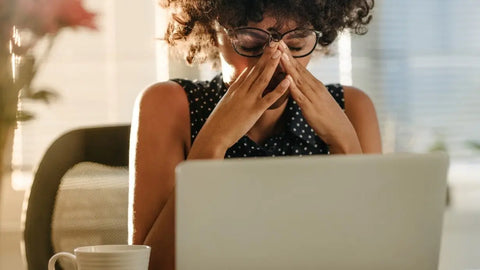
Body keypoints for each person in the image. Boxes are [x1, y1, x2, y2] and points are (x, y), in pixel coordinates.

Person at [130, 0, 381, 269]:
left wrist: (344, 142)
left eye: (296, 45)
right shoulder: (168, 105)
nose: (276, 62)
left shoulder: (352, 108)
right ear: (213, 34)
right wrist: (213, 142)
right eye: (249, 43)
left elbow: (378, 255)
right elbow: (151, 264)